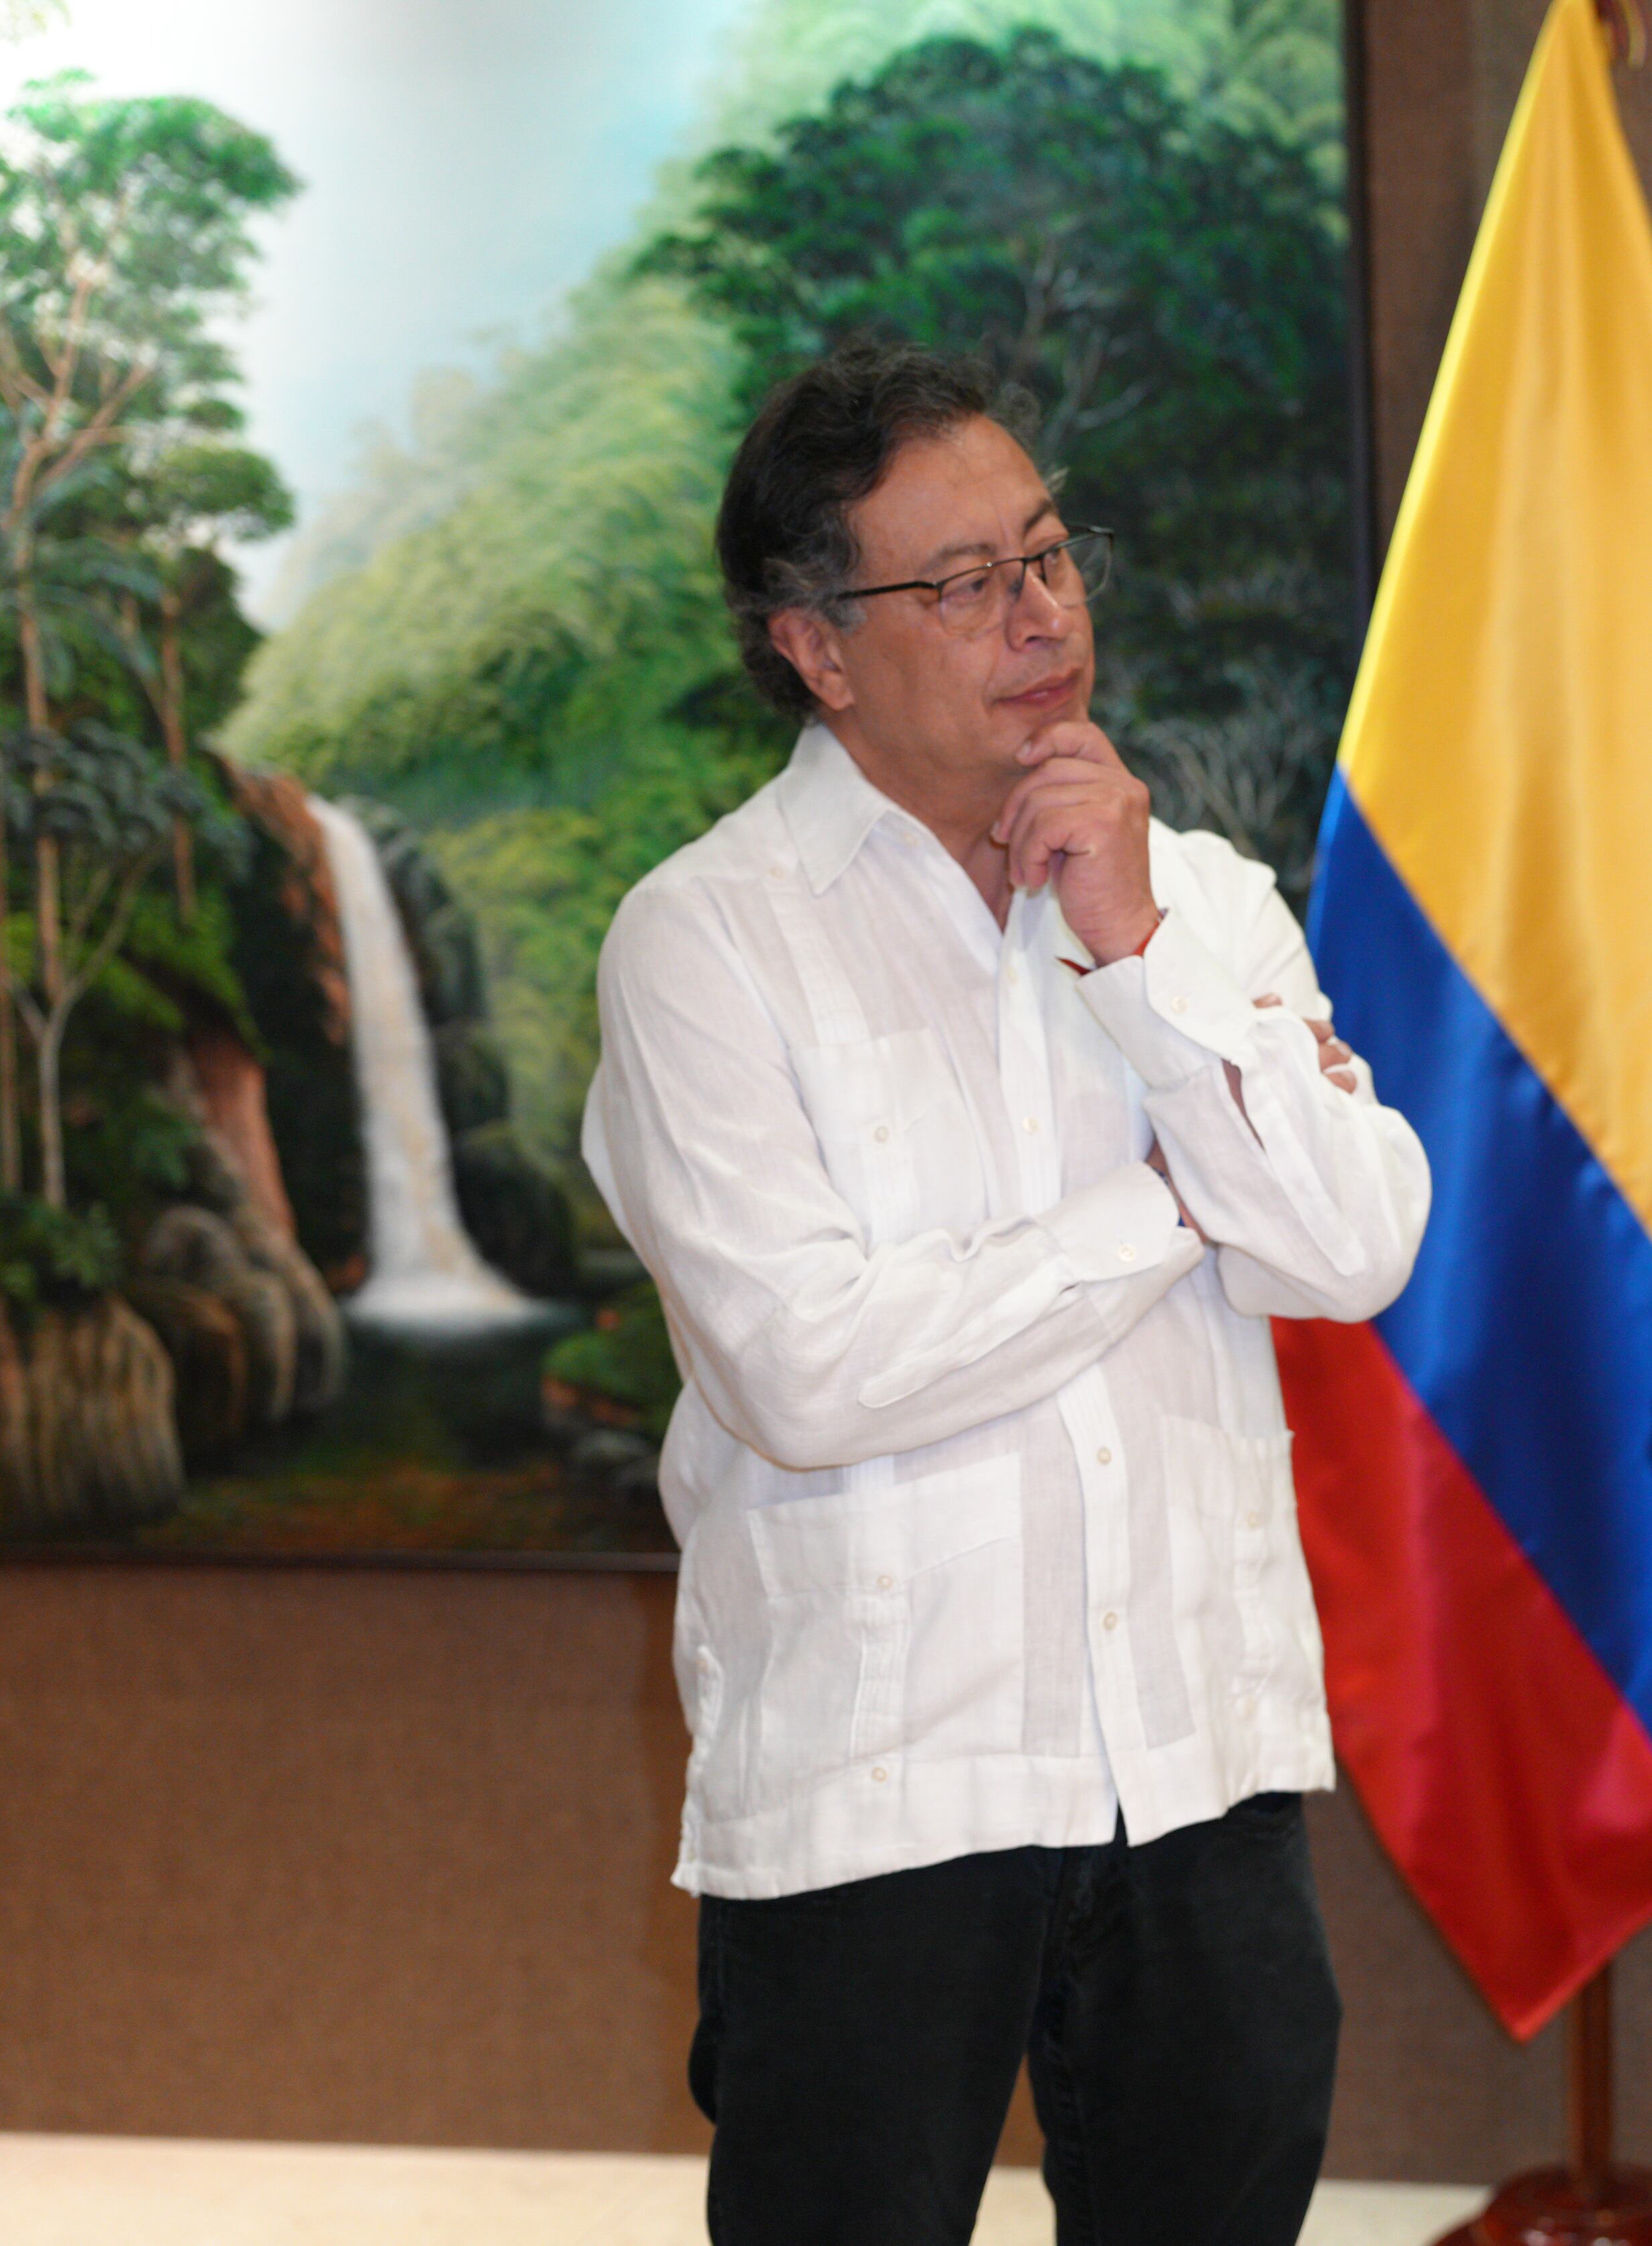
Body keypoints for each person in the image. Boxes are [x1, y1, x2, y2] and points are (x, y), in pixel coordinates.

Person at [583, 340, 1430, 2246]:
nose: (1040, 615)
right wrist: (1174, 1201)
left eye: (1048, 555)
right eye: (964, 584)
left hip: (1198, 1765)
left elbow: (1354, 1247)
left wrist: (1134, 955)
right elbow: (811, 1371)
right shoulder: (707, 941)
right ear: (816, 646)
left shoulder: (1199, 898)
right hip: (878, 1786)